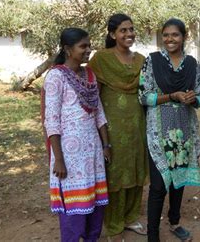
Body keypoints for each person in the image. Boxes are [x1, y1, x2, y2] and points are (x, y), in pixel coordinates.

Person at [42, 27, 110, 242]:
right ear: (68, 49)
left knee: (95, 211)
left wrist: (106, 146)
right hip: (69, 158)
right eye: (83, 46)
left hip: (93, 154)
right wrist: (58, 160)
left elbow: (99, 112)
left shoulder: (89, 74)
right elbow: (51, 121)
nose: (88, 50)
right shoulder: (56, 76)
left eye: (89, 45)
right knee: (74, 214)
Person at [139, 18, 200, 242]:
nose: (169, 39)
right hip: (159, 130)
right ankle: (153, 234)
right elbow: (144, 96)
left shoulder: (192, 63)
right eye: (165, 35)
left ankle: (174, 222)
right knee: (158, 185)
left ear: (184, 37)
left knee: (179, 179)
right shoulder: (152, 61)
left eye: (174, 35)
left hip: (184, 128)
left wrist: (193, 99)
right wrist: (171, 96)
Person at [87, 13, 148, 241]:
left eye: (131, 29)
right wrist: (96, 128)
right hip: (111, 125)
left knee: (136, 168)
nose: (129, 34)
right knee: (114, 172)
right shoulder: (101, 60)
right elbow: (94, 95)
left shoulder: (141, 60)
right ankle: (113, 224)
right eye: (123, 30)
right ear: (113, 34)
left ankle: (131, 217)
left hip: (137, 124)